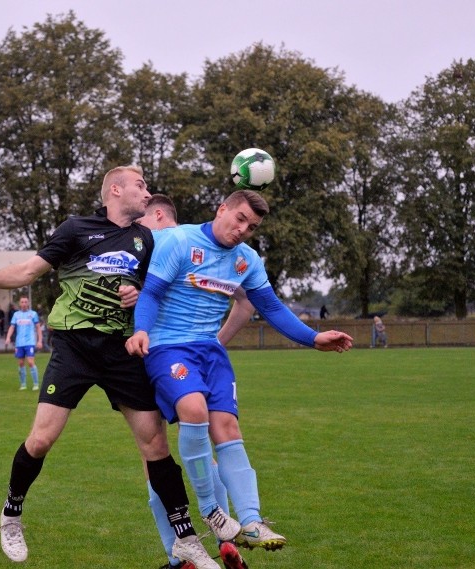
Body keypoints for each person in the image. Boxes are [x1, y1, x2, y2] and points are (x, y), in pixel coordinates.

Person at [0, 165, 220, 568]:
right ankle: (11, 514)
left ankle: (185, 538)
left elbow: (159, 290)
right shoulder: (75, 229)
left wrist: (141, 296)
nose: (147, 193)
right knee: (41, 440)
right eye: (140, 185)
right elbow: (28, 271)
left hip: (122, 352)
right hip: (74, 348)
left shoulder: (145, 239)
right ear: (115, 190)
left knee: (156, 446)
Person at [126, 190, 354, 553]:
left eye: (252, 226)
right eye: (240, 219)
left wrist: (313, 338)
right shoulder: (180, 241)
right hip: (167, 346)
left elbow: (271, 307)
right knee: (194, 410)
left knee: (228, 428)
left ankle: (250, 520)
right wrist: (140, 330)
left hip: (210, 351)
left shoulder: (246, 260)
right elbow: (151, 293)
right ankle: (211, 510)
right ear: (222, 209)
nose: (243, 229)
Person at [139, 195, 250, 569]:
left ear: (157, 215)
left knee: (154, 456)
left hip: (151, 360)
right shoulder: (211, 252)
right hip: (191, 358)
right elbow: (247, 303)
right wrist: (216, 341)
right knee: (200, 438)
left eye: (141, 225)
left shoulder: (160, 248)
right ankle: (223, 535)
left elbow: (147, 298)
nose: (137, 235)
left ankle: (179, 553)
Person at [5, 296, 43, 390]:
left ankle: (36, 384)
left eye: (26, 302)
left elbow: (38, 328)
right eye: (22, 302)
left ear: (28, 303)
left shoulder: (33, 314)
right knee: (21, 363)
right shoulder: (16, 315)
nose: (24, 304)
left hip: (30, 342)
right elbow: (12, 327)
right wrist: (8, 337)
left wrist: (39, 341)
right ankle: (23, 384)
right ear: (19, 304)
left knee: (30, 362)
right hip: (19, 343)